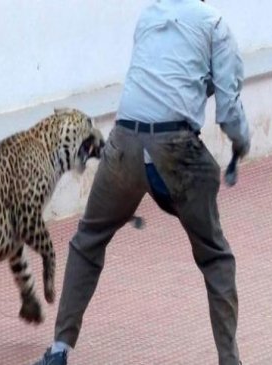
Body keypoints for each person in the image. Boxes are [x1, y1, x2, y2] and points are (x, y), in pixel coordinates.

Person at [32, 0, 250, 364]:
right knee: (216, 258)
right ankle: (230, 361)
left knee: (87, 241)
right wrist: (241, 143)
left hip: (123, 145)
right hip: (176, 153)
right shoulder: (216, 26)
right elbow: (228, 109)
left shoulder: (149, 16)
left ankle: (59, 351)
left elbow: (161, 80)